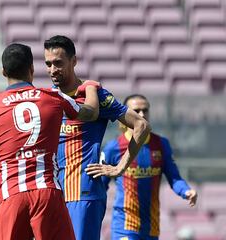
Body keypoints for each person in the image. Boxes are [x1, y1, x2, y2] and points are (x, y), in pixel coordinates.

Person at [0, 43, 100, 240]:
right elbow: (91, 113)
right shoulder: (53, 97)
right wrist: (91, 88)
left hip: (10, 195)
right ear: (32, 69)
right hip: (47, 192)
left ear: (3, 71)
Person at [43, 35, 151, 240]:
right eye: (48, 64)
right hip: (53, 192)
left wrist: (120, 167)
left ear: (74, 61)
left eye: (58, 63)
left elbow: (141, 125)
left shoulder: (94, 94)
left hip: (83, 192)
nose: (52, 70)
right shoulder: (49, 99)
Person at [86, 94, 198, 240]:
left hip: (151, 228)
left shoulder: (161, 144)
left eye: (145, 110)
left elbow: (174, 177)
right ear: (127, 115)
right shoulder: (113, 148)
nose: (142, 114)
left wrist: (186, 191)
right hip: (124, 225)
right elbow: (100, 186)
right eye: (136, 110)